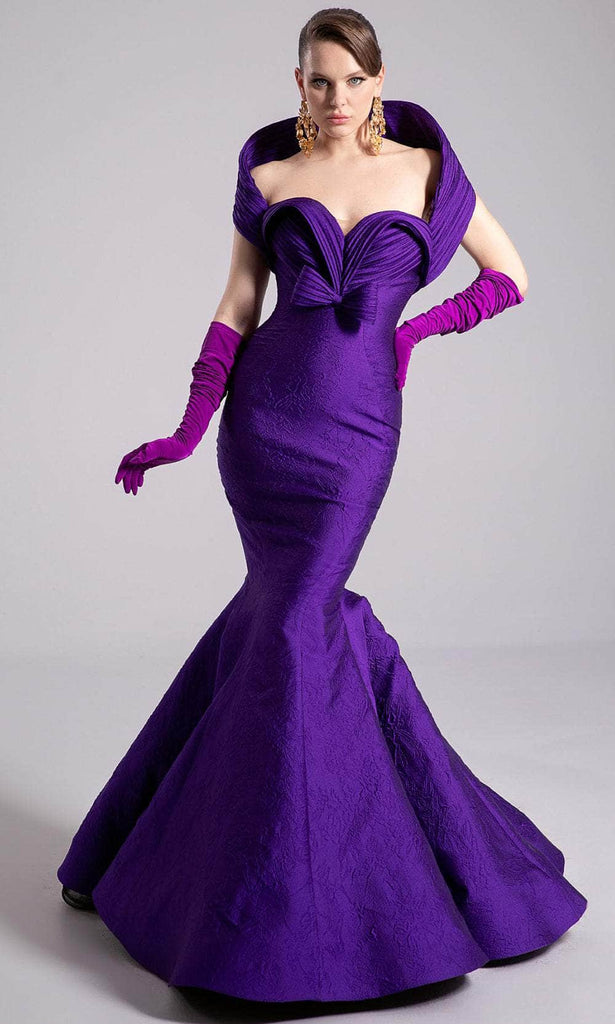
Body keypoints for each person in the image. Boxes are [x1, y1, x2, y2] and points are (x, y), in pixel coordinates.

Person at [57, 8, 587, 1005]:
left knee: (297, 618)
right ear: (296, 84)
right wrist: (186, 429)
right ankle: (228, 892)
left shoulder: (426, 172)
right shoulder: (269, 177)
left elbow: (509, 274)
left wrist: (411, 334)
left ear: (378, 82)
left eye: (350, 80)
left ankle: (277, 896)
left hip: (356, 429)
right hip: (264, 421)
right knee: (281, 619)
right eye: (317, 80)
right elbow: (235, 307)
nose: (335, 97)